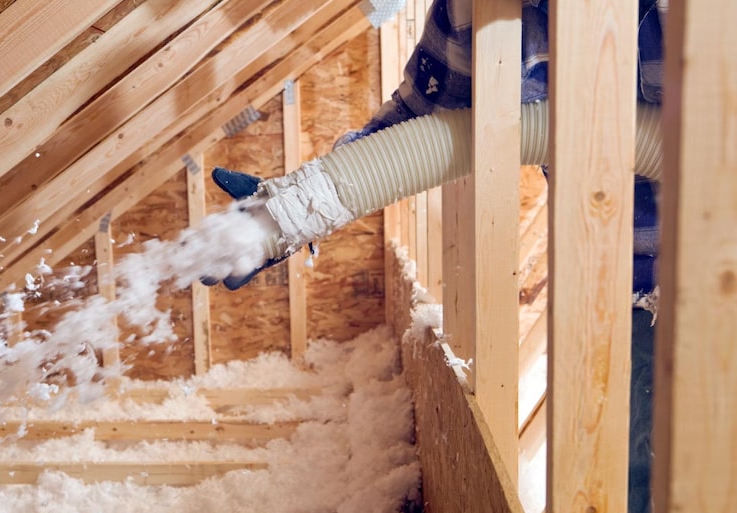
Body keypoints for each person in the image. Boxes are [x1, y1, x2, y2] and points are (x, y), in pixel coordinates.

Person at [210, 1, 664, 511]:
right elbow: (418, 123)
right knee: (616, 487)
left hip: (712, 282)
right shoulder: (474, 10)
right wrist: (292, 213)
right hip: (611, 291)